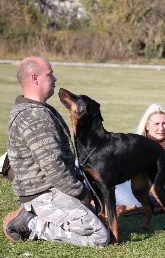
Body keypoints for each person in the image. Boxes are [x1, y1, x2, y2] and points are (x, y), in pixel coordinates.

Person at [3, 57, 109, 247]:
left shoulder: (40, 109)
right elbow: (54, 169)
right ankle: (30, 223)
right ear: (35, 78)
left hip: (52, 189)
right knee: (99, 236)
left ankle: (35, 215)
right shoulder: (34, 116)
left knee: (99, 218)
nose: (55, 78)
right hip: (43, 194)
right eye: (50, 74)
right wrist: (81, 193)